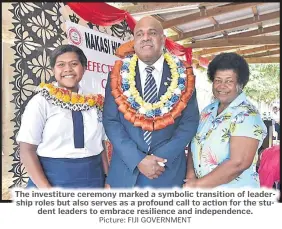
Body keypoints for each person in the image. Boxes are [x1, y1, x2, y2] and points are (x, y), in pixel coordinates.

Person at [103, 16, 199, 188]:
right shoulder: (117, 75)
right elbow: (111, 121)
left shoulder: (184, 74)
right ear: (134, 41)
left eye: (152, 33)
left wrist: (159, 160)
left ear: (163, 39)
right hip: (125, 173)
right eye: (140, 34)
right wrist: (137, 159)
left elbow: (189, 122)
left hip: (166, 173)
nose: (145, 37)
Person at [17, 44, 108, 188]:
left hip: (93, 179)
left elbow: (101, 144)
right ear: (53, 70)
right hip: (52, 179)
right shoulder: (41, 102)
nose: (68, 69)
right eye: (61, 65)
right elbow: (26, 149)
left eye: (74, 64)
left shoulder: (95, 102)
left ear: (84, 68)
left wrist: (107, 180)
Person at [184, 52, 267, 188]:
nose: (222, 86)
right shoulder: (207, 111)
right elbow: (195, 146)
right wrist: (191, 177)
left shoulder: (247, 115)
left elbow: (238, 163)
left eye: (229, 81)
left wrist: (197, 185)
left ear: (240, 84)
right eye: (218, 80)